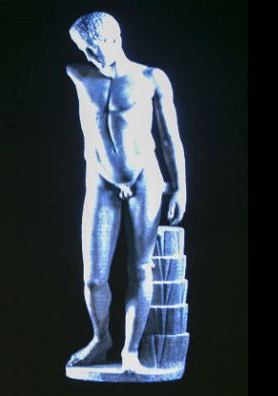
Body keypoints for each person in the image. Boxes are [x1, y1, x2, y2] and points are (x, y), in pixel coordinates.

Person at [64, 12, 187, 373]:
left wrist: (180, 186)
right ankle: (101, 338)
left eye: (91, 49)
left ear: (112, 40)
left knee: (140, 268)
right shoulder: (79, 75)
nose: (87, 57)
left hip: (144, 177)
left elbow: (169, 137)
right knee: (93, 275)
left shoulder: (151, 78)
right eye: (82, 50)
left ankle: (130, 352)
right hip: (99, 179)